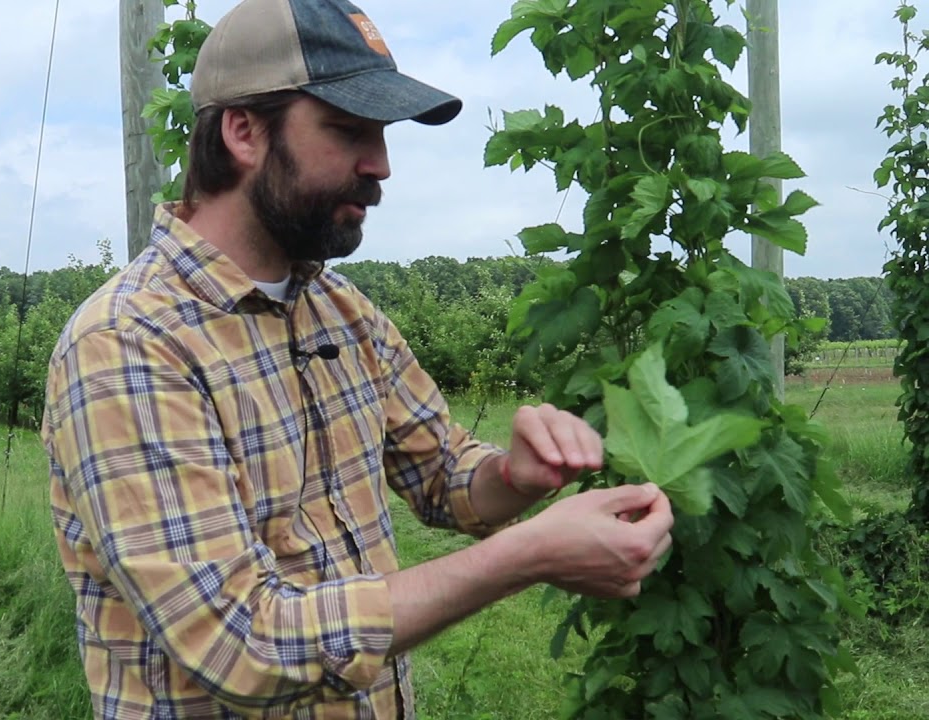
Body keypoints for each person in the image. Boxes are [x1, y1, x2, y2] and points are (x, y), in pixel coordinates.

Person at [41, 0, 674, 717]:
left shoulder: (341, 312)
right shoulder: (129, 345)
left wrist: (514, 475)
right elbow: (242, 643)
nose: (381, 165)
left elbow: (444, 476)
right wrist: (526, 555)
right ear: (243, 132)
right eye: (347, 131)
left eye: (381, 133)